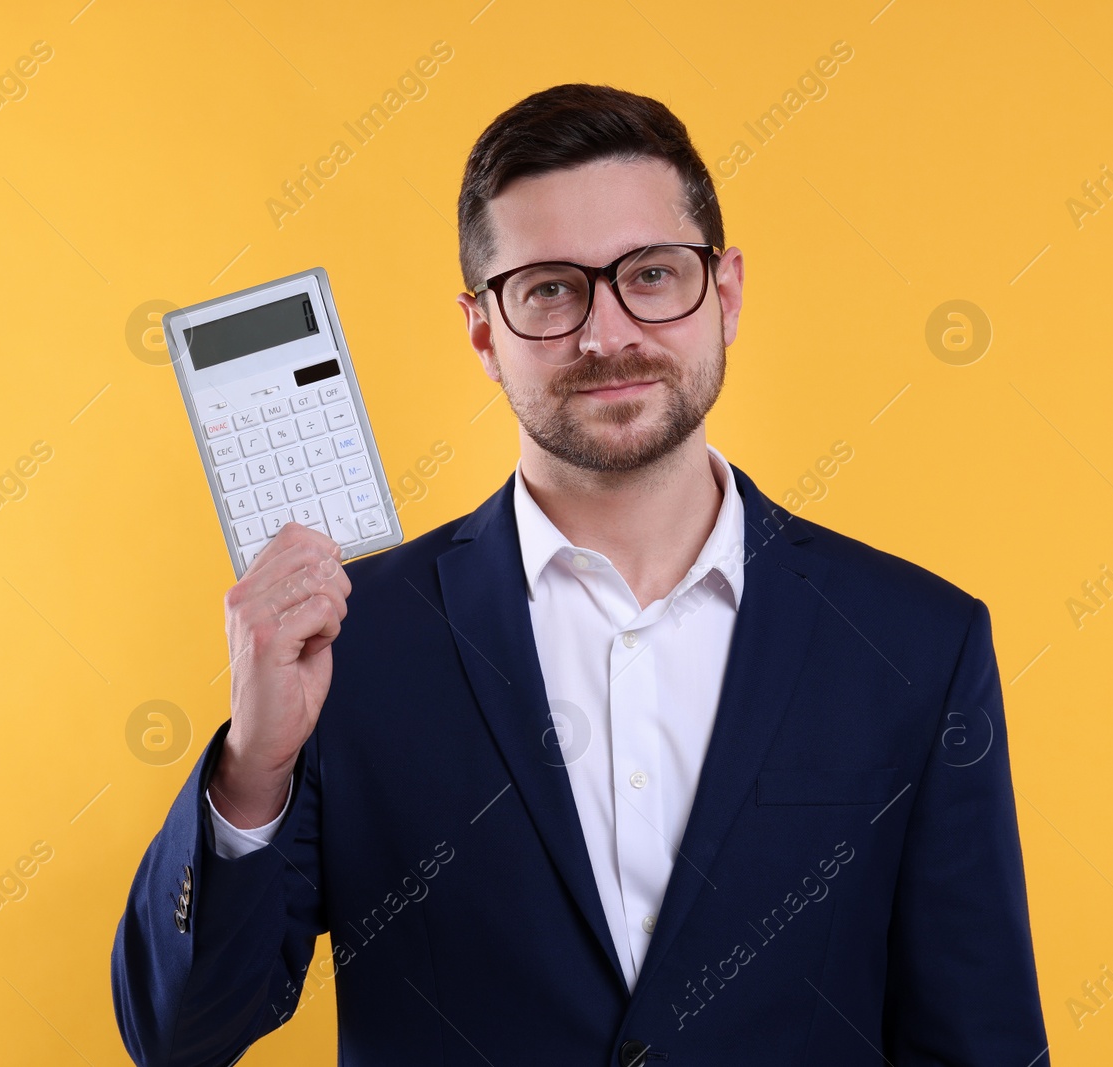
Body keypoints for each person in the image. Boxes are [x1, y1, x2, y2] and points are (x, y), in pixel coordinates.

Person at [112, 82, 1049, 1066]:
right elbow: (179, 1037)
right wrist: (253, 762)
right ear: (483, 330)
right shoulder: (354, 643)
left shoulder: (912, 643)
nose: (606, 334)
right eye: (550, 288)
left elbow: (975, 1043)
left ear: (723, 293)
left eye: (651, 274)